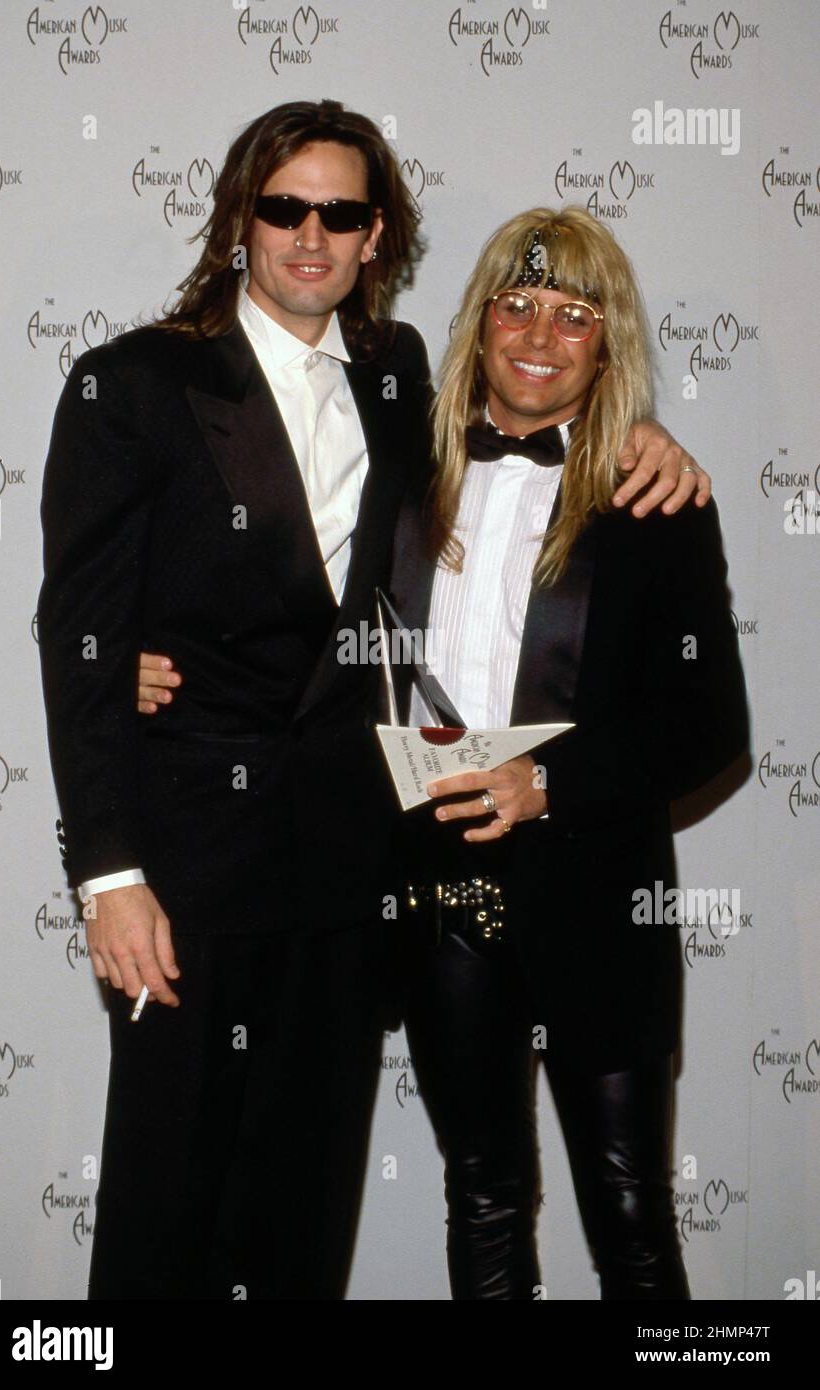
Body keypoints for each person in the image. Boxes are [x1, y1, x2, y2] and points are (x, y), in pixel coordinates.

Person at [47, 96, 705, 1302]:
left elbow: (535, 402)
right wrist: (108, 873)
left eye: (341, 212)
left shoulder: (399, 377)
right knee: (165, 1206)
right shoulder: (133, 382)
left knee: (301, 1214)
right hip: (187, 870)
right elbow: (77, 630)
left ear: (376, 235)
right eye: (285, 206)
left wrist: (647, 431)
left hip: (354, 869)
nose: (312, 235)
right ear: (241, 220)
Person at [385, 206, 750, 1299]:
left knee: (633, 1220)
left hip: (599, 896)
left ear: (610, 342)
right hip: (443, 896)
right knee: (483, 1198)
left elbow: (709, 725)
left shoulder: (655, 499)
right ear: (482, 316)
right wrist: (153, 658)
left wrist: (548, 782)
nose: (541, 335)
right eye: (521, 303)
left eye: (576, 315)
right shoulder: (399, 467)